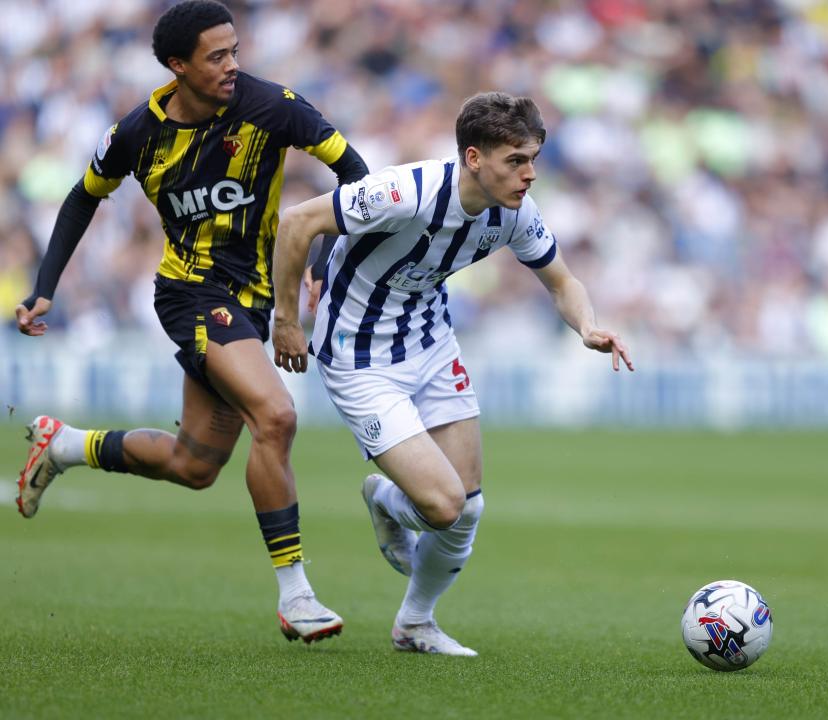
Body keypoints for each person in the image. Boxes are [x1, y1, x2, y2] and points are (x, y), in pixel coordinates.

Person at [14, 0, 369, 645]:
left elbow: (354, 173)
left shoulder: (273, 107)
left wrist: (320, 258)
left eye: (235, 51)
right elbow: (82, 197)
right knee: (277, 416)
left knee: (193, 465)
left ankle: (65, 445)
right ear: (178, 66)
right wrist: (44, 288)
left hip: (252, 298)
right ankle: (297, 595)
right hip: (191, 293)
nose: (233, 65)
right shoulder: (137, 133)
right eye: (217, 56)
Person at [271, 91, 634, 656]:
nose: (530, 174)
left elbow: (563, 282)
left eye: (533, 159)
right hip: (358, 356)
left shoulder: (515, 213)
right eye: (516, 160)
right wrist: (286, 319)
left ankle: (415, 624)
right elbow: (298, 222)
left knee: (469, 506)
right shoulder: (407, 191)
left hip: (432, 344)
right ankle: (386, 500)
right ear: (474, 158)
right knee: (442, 506)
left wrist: (586, 325)